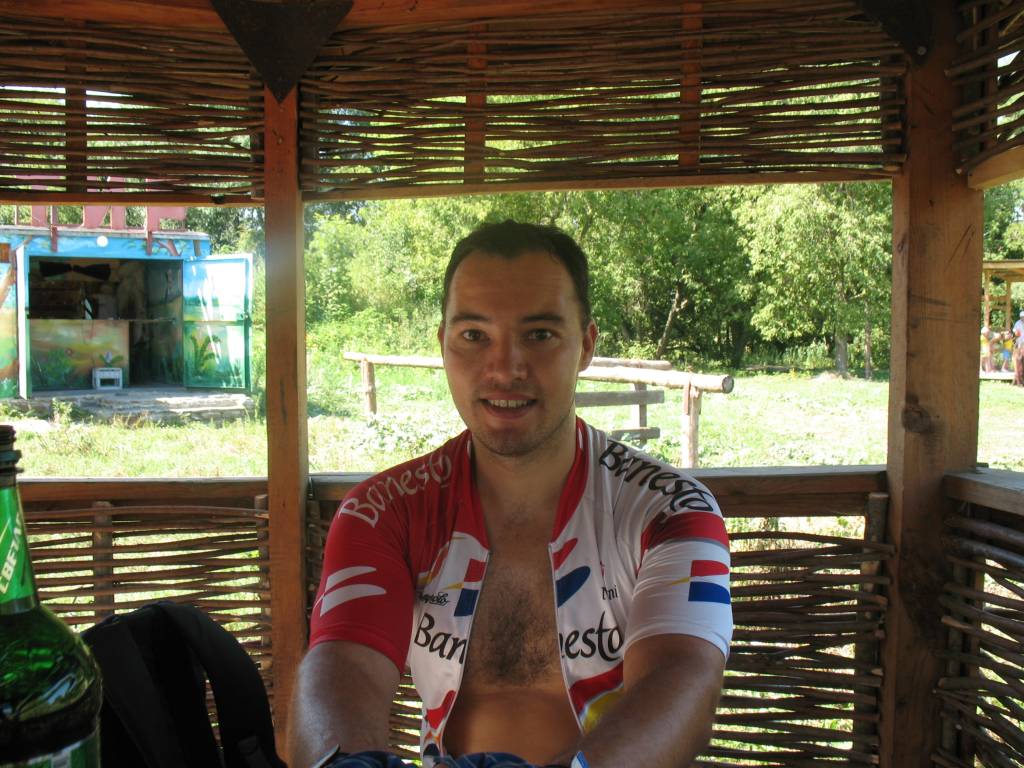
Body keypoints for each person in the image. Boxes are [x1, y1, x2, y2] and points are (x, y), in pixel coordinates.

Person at [288, 221, 732, 768]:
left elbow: (682, 680)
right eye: (474, 336)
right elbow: (341, 666)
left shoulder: (671, 511)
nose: (505, 368)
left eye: (539, 334)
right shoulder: (382, 514)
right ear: (443, 344)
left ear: (586, 345)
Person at [1014, 311, 1024, 386]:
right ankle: (1018, 379)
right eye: (1022, 317)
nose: (1023, 318)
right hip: (1020, 343)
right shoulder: (1017, 323)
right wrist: (1016, 332)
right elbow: (1015, 331)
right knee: (1019, 360)